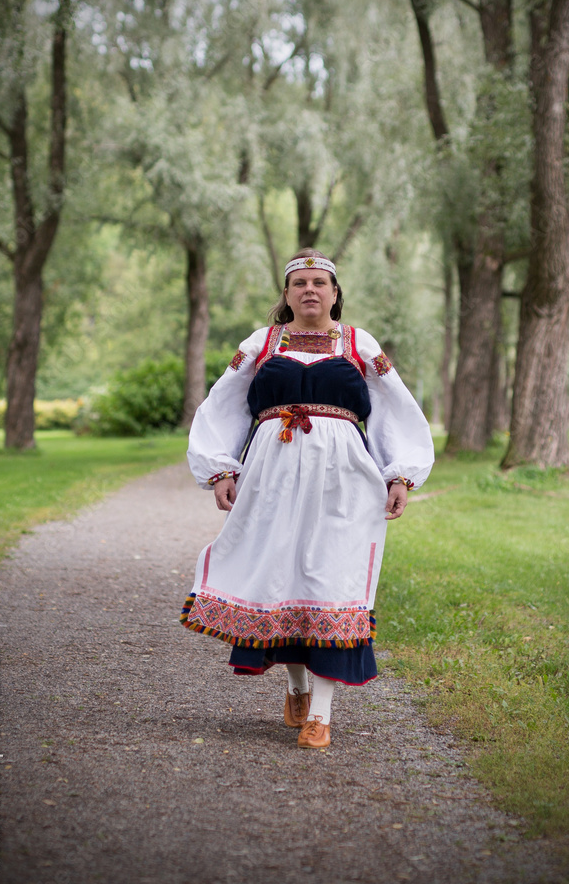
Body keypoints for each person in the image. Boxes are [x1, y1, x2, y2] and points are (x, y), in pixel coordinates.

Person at [181, 248, 434, 748]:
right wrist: (220, 469)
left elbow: (394, 408)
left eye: (320, 282)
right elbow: (224, 404)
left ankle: (321, 712)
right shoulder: (262, 343)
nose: (310, 290)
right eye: (300, 283)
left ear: (335, 294)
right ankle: (295, 685)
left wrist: (400, 474)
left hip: (345, 478)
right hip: (271, 475)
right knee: (279, 575)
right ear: (287, 294)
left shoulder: (360, 344)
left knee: (331, 580)